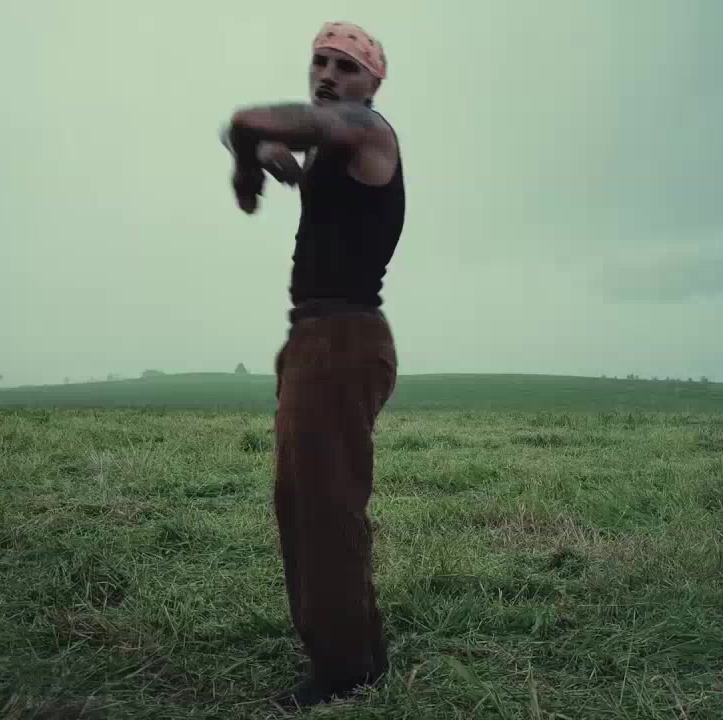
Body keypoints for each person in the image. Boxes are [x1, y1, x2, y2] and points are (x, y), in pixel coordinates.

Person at [219, 21, 404, 707]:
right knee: (310, 502)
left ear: (372, 85)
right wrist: (260, 157)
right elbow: (244, 134)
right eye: (319, 61)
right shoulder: (331, 146)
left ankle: (345, 671)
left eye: (346, 66)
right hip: (316, 338)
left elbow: (245, 121)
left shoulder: (367, 129)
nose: (327, 74)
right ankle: (360, 650)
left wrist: (254, 155)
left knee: (324, 508)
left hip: (341, 339)